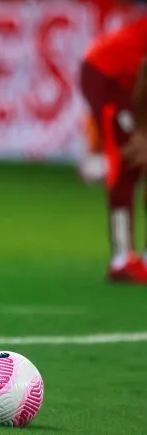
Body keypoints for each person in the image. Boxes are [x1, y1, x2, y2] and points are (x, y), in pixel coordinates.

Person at [80, 17, 147, 283]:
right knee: (128, 160)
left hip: (131, 81)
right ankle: (122, 259)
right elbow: (145, 74)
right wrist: (142, 131)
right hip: (107, 76)